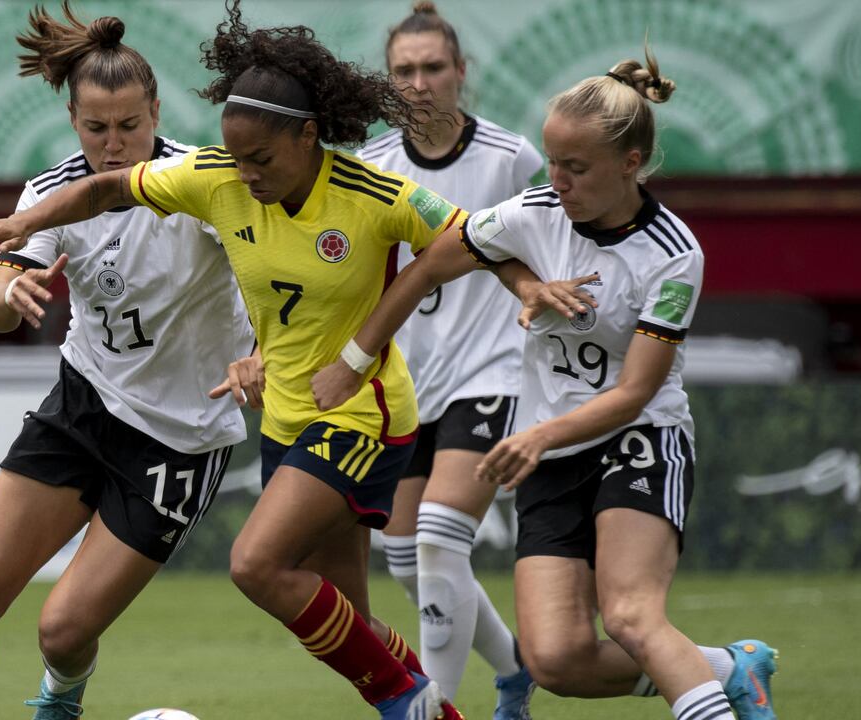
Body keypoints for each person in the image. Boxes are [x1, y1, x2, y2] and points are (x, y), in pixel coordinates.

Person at [0, 2, 570, 715]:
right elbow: (105, 189)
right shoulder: (216, 179)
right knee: (350, 623)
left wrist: (524, 288)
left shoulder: (372, 192)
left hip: (363, 414)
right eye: (236, 158)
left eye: (261, 160)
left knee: (254, 564)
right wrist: (25, 222)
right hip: (287, 417)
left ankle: (406, 699)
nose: (245, 175)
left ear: (307, 137)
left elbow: (470, 239)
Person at [311, 46, 778, 720]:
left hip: (638, 442)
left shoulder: (675, 254)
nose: (556, 180)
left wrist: (538, 435)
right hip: (552, 458)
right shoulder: (532, 212)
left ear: (631, 163)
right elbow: (429, 265)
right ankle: (729, 667)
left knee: (630, 616)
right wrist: (354, 360)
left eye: (575, 168)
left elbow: (635, 393)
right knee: (556, 661)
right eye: (553, 162)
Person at [0, 5, 253, 720]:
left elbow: (274, 281)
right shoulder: (50, 195)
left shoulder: (203, 183)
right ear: (72, 119)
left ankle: (60, 700)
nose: (114, 144)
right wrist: (12, 294)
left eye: (129, 125)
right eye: (96, 127)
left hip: (178, 440)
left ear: (156, 111)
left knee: (63, 632)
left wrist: (259, 355)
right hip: (83, 407)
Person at [360, 3, 541, 716]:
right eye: (404, 70)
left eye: (433, 67)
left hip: (492, 372)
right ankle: (516, 668)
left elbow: (547, 251)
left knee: (439, 540)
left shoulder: (511, 158)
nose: (419, 83)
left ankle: (432, 709)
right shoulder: (370, 167)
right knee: (409, 562)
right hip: (407, 387)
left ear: (461, 72)